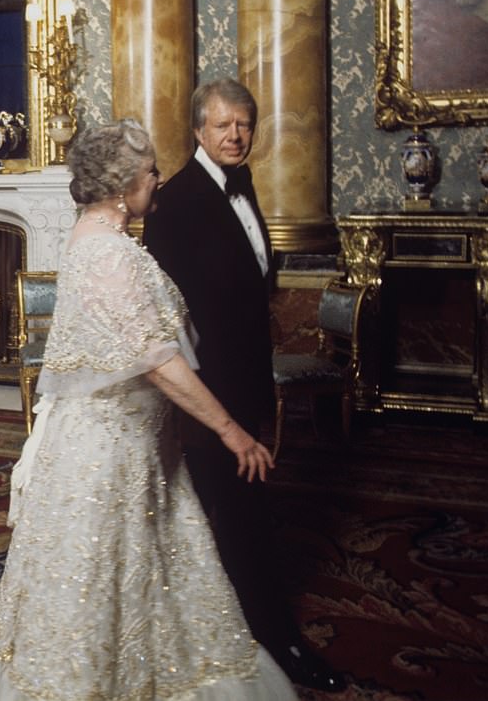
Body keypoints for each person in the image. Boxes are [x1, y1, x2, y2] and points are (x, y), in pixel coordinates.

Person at [0, 119, 298, 701]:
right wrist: (231, 431)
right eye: (150, 172)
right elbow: (158, 362)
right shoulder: (109, 254)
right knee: (100, 584)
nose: (158, 180)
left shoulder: (99, 239)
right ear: (122, 185)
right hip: (106, 457)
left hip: (133, 447)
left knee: (141, 579)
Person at [143, 78, 345, 693]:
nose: (235, 135)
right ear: (198, 131)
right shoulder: (173, 202)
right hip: (207, 393)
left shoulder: (244, 182)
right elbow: (168, 319)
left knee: (238, 510)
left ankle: (241, 613)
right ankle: (276, 637)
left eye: (245, 125)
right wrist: (210, 410)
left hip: (246, 380)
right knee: (240, 516)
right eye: (223, 125)